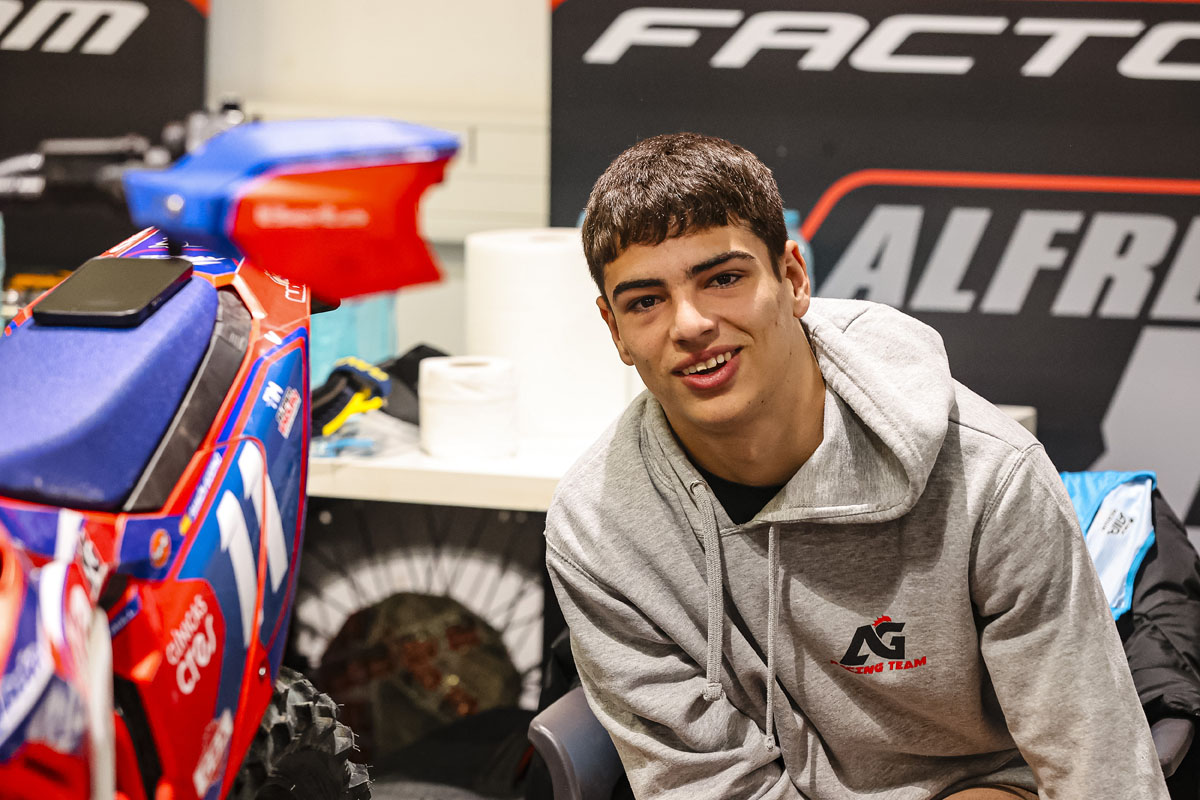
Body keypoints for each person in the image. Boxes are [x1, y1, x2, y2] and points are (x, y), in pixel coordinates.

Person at [542, 133, 1169, 799]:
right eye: (646, 301)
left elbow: (1094, 764)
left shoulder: (991, 473)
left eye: (723, 279)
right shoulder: (597, 527)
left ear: (792, 278)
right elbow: (709, 786)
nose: (690, 323)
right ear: (615, 329)